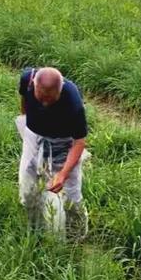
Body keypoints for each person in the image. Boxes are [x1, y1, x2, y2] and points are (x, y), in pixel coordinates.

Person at [17, 65, 89, 239]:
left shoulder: (73, 103)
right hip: (34, 137)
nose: (45, 103)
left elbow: (79, 143)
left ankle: (77, 234)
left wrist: (63, 174)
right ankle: (34, 227)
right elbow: (24, 102)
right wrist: (27, 123)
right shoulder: (27, 79)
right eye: (41, 97)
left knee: (71, 196)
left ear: (60, 89)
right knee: (28, 188)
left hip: (64, 141)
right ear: (34, 85)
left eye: (50, 99)